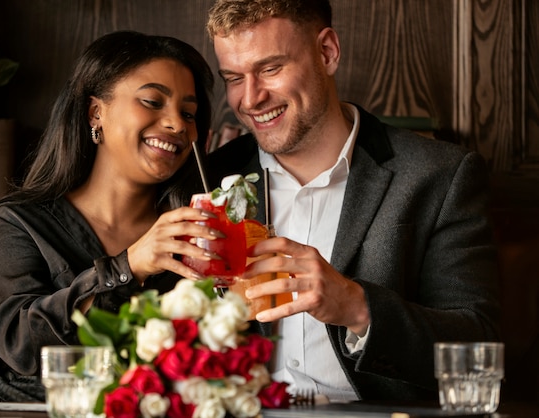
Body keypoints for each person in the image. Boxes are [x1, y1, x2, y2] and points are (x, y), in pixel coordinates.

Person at [203, 0, 500, 402]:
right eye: (233, 77)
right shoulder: (207, 176)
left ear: (327, 52)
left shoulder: (440, 175)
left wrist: (358, 308)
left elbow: (478, 344)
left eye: (270, 69)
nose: (251, 98)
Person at [0, 30, 217, 402]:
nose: (178, 124)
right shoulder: (17, 223)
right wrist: (128, 267)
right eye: (152, 101)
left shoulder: (198, 233)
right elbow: (20, 343)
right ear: (96, 112)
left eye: (189, 113)